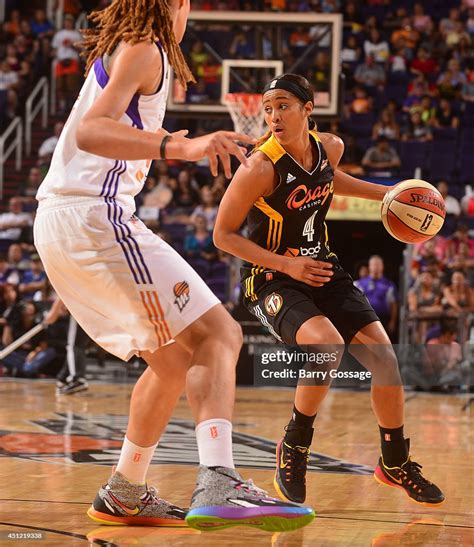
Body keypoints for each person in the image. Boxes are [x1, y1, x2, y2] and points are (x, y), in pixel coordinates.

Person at [33, 0, 313, 533]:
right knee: (221, 335)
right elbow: (90, 132)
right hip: (95, 216)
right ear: (172, 5)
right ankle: (219, 479)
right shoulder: (146, 50)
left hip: (66, 222)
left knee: (173, 362)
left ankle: (124, 489)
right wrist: (181, 148)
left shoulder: (132, 49)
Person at [214, 73, 444, 508]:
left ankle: (394, 463)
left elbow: (332, 179)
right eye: (267, 108)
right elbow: (223, 236)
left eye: (283, 105)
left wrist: (390, 195)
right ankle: (294, 446)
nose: (273, 115)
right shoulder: (258, 167)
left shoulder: (329, 148)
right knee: (326, 346)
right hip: (270, 276)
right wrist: (286, 264)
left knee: (386, 360)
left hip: (321, 266)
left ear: (308, 108)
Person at [355, 255, 398, 341]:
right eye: (373, 265)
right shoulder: (359, 284)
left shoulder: (389, 285)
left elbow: (394, 305)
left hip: (383, 320)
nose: (376, 267)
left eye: (378, 265)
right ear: (369, 267)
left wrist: (392, 322)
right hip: (364, 320)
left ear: (382, 266)